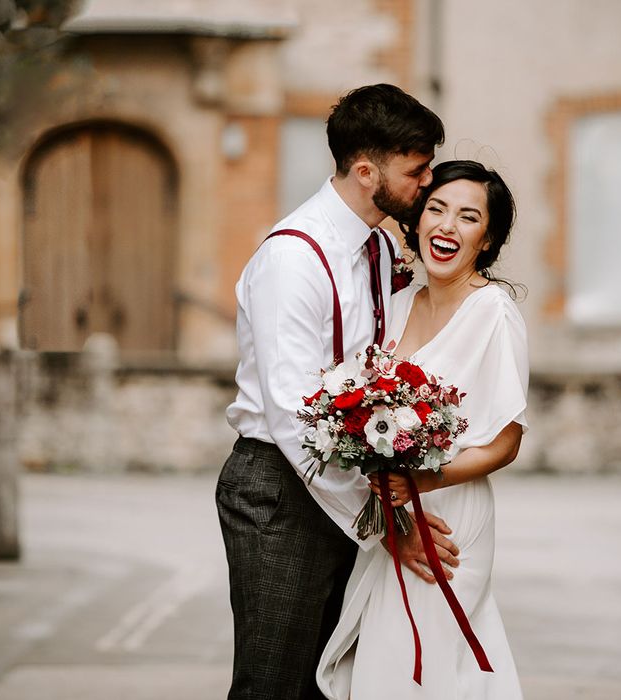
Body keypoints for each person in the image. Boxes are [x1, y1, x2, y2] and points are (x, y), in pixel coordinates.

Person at [216, 84, 459, 700]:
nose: (427, 183)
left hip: (348, 479)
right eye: (416, 170)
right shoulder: (292, 260)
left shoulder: (379, 246)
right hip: (279, 490)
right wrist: (382, 521)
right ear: (364, 170)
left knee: (335, 683)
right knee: (273, 685)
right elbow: (296, 418)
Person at [316, 160, 529, 699]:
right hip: (392, 511)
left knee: (423, 656)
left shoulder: (493, 313)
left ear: (487, 239)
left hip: (450, 514)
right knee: (389, 655)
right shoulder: (400, 300)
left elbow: (506, 439)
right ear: (417, 220)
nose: (447, 226)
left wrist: (425, 482)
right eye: (436, 209)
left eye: (467, 217)